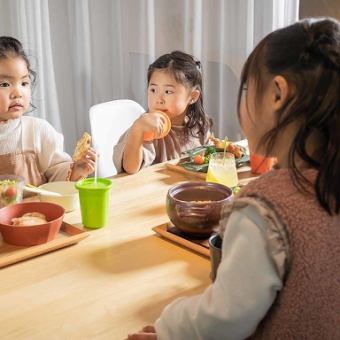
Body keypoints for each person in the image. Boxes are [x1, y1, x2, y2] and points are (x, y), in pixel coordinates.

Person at [128, 17, 340, 339]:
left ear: (277, 95)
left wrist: (169, 327)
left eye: (247, 88)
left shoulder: (265, 209)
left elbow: (223, 320)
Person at [0, 36, 96, 186]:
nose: (17, 93)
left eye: (24, 83)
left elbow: (56, 171)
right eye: (5, 84)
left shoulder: (37, 131)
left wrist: (76, 169)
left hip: (36, 210)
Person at [113, 50, 212, 174]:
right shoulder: (147, 128)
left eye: (168, 92)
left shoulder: (199, 126)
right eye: (153, 90)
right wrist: (137, 130)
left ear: (193, 96)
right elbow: (130, 168)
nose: (158, 99)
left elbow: (209, 160)